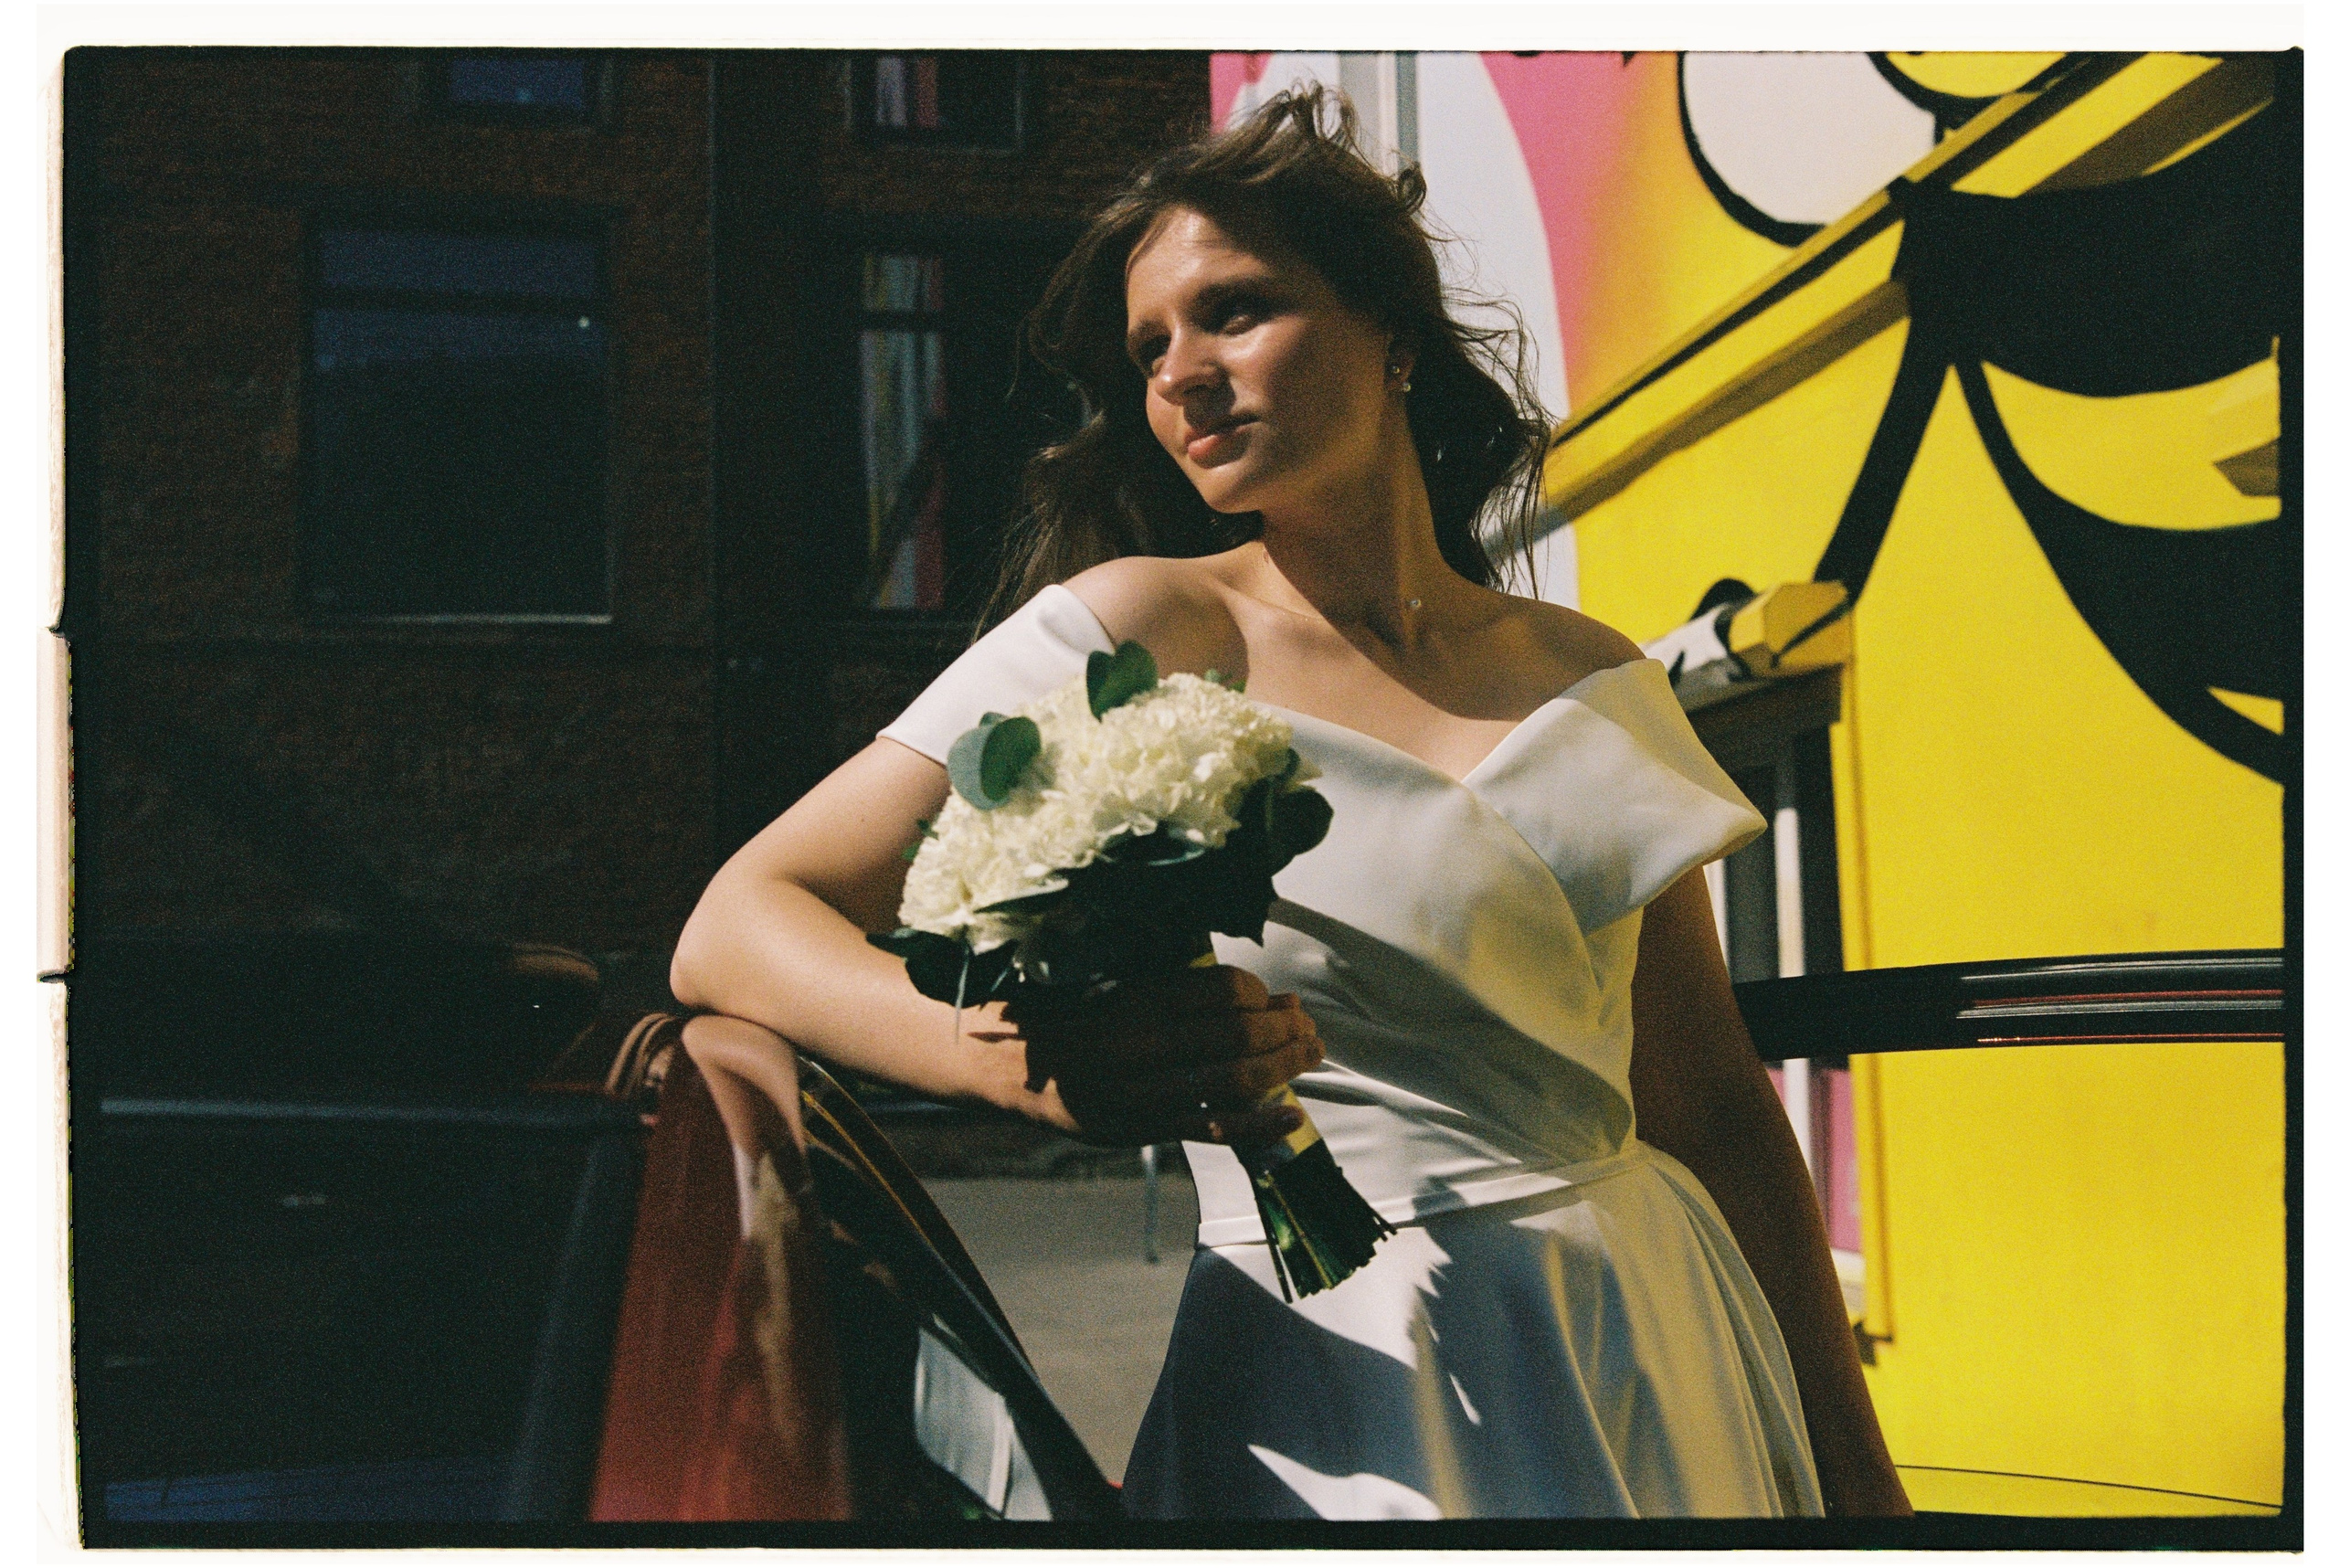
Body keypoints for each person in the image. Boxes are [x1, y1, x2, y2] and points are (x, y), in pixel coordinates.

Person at [671, 86, 1910, 1520]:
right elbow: (738, 924)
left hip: (1653, 1345)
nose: (1182, 374)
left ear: (1390, 328)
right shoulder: (1134, 629)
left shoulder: (1593, 673)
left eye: (1236, 311)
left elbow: (1713, 1109)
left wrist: (1869, 1497)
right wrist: (1019, 1061)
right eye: (1150, 349)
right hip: (1351, 1378)